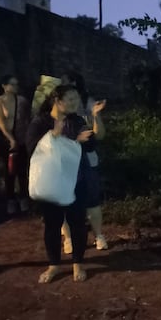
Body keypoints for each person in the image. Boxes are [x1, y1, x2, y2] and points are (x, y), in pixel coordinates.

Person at [26, 85, 94, 283]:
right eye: (71, 99)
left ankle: (78, 263)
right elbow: (32, 149)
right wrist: (58, 138)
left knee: (78, 225)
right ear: (57, 100)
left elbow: (90, 145)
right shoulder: (40, 122)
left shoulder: (77, 121)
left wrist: (89, 130)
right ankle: (54, 265)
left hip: (76, 181)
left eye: (76, 99)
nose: (75, 103)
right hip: (52, 183)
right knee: (52, 225)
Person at [59, 72, 108, 252]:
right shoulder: (55, 111)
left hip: (87, 160)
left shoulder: (87, 103)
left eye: (66, 83)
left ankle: (99, 235)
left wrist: (95, 116)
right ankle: (68, 238)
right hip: (64, 162)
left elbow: (98, 136)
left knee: (92, 200)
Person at [0, 74, 31, 215]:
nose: (15, 87)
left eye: (16, 84)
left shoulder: (22, 101)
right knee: (9, 172)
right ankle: (10, 201)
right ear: (4, 86)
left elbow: (27, 119)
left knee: (22, 171)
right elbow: (0, 123)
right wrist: (10, 138)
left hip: (22, 139)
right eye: (12, 84)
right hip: (6, 140)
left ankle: (24, 201)